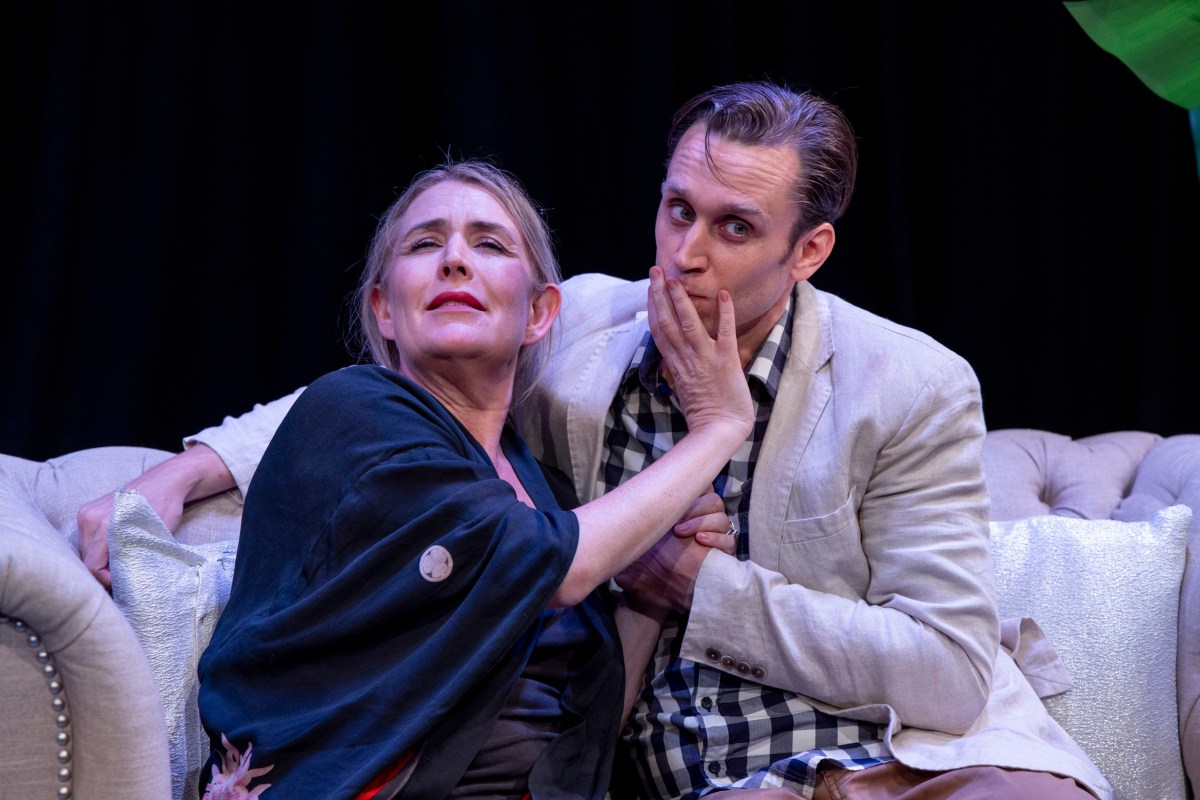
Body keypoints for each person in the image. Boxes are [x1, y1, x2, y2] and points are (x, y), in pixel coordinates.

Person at [79, 82, 1111, 800]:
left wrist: (697, 588)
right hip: (720, 779)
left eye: (733, 228)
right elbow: (392, 389)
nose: (686, 254)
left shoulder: (911, 382)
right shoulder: (578, 331)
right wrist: (190, 467)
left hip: (918, 757)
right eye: (676, 210)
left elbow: (947, 670)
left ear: (809, 250)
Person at [189, 159, 755, 799]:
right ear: (384, 309)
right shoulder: (354, 411)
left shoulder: (545, 492)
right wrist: (719, 426)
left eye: (489, 244)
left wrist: (649, 593)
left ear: (539, 312)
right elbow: (560, 569)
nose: (454, 260)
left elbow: (580, 735)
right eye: (424, 244)